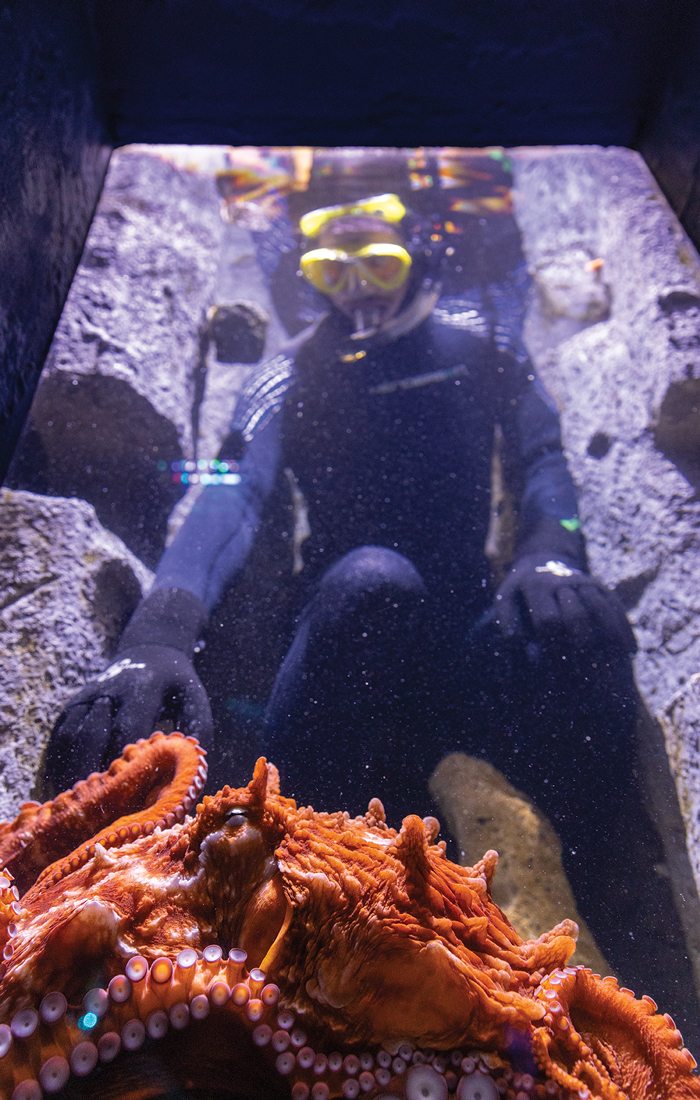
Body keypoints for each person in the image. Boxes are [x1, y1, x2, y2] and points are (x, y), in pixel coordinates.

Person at [47, 189, 635, 857]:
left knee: (577, 629)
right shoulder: (288, 373)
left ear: (419, 259)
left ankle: (606, 900)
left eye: (378, 264)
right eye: (334, 270)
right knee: (374, 580)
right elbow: (232, 496)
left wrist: (551, 556)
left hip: (463, 650)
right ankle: (292, 862)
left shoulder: (482, 342)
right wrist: (157, 636)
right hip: (344, 648)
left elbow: (543, 458)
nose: (358, 288)